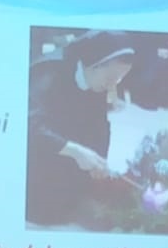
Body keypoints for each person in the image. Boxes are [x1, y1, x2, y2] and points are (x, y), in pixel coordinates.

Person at [26, 30, 136, 229]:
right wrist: (76, 151)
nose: (113, 85)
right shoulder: (48, 73)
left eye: (119, 79)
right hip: (34, 170)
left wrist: (99, 161)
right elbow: (31, 127)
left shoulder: (97, 82)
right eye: (111, 77)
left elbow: (99, 125)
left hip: (66, 179)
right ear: (94, 64)